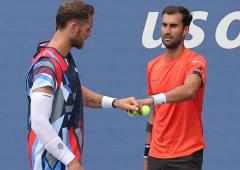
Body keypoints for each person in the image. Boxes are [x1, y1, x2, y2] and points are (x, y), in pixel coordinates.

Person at [25, 1, 139, 170]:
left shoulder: (63, 58)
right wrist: (70, 160)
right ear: (73, 27)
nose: (90, 33)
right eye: (88, 28)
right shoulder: (47, 66)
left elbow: (73, 93)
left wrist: (116, 102)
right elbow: (39, 121)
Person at [138, 5, 207, 170]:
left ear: (185, 30)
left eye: (173, 26)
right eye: (164, 25)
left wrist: (154, 99)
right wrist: (147, 153)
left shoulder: (196, 61)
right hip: (156, 155)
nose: (167, 31)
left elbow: (189, 90)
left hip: (186, 156)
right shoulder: (152, 65)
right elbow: (154, 114)